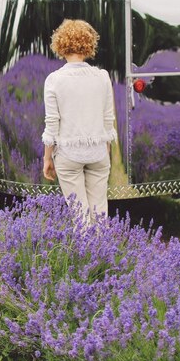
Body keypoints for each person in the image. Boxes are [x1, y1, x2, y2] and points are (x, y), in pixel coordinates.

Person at [42, 19, 116, 224]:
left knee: (80, 217)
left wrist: (48, 158)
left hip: (68, 155)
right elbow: (108, 120)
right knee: (99, 214)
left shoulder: (54, 80)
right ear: (88, 45)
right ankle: (102, 255)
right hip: (99, 153)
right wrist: (105, 153)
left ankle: (85, 255)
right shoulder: (102, 77)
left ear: (60, 45)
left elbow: (52, 124)